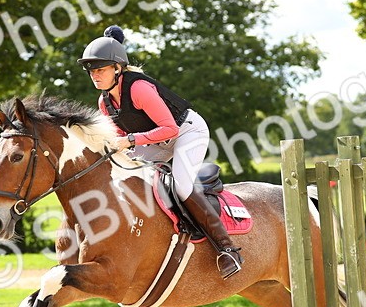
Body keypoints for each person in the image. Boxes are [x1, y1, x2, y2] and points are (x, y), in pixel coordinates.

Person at [76, 25, 243, 279]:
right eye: (92, 71)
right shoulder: (104, 102)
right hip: (153, 142)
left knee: (182, 187)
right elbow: (119, 139)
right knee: (128, 180)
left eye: (100, 69)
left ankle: (227, 248)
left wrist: (130, 140)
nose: (95, 76)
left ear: (118, 68)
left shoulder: (139, 89)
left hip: (187, 132)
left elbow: (170, 129)